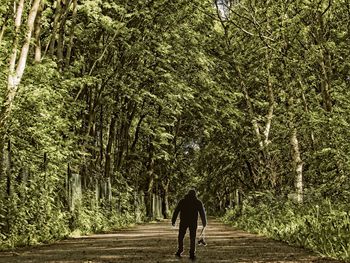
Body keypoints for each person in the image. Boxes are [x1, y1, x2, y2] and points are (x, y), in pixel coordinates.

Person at [171, 189, 207, 260]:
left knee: (181, 236)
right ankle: (192, 253)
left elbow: (176, 211)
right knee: (192, 237)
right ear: (195, 195)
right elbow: (202, 213)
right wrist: (204, 222)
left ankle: (180, 250)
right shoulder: (197, 202)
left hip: (183, 221)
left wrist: (173, 220)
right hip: (193, 222)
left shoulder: (182, 201)